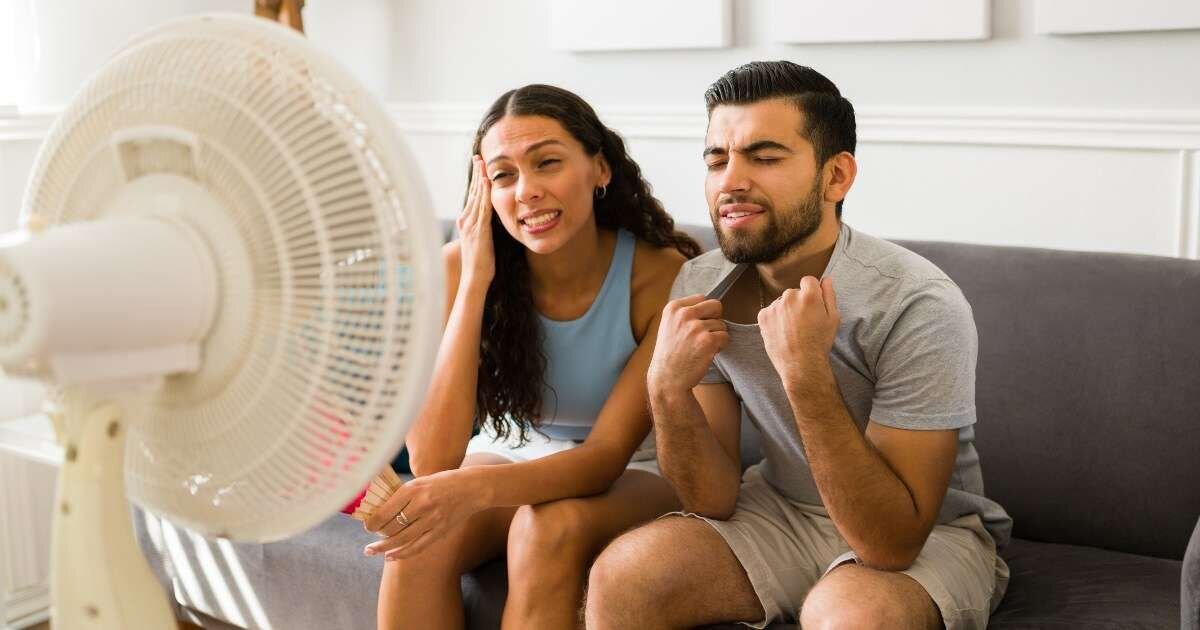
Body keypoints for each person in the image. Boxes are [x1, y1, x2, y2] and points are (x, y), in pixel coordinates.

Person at [585, 61, 1012, 630]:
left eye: (763, 157)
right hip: (777, 511)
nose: (730, 181)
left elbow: (891, 542)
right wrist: (665, 386)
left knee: (852, 617)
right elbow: (710, 498)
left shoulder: (918, 303)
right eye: (717, 159)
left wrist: (806, 371)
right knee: (624, 574)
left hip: (927, 532)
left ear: (836, 177)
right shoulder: (699, 285)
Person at [363, 83, 699, 629]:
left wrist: (469, 491)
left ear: (600, 170)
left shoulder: (660, 276)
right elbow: (429, 462)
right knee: (419, 534)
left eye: (547, 163)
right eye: (504, 175)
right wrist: (474, 283)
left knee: (543, 528)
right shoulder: (459, 267)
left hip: (639, 466)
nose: (528, 191)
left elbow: (604, 457)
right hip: (515, 448)